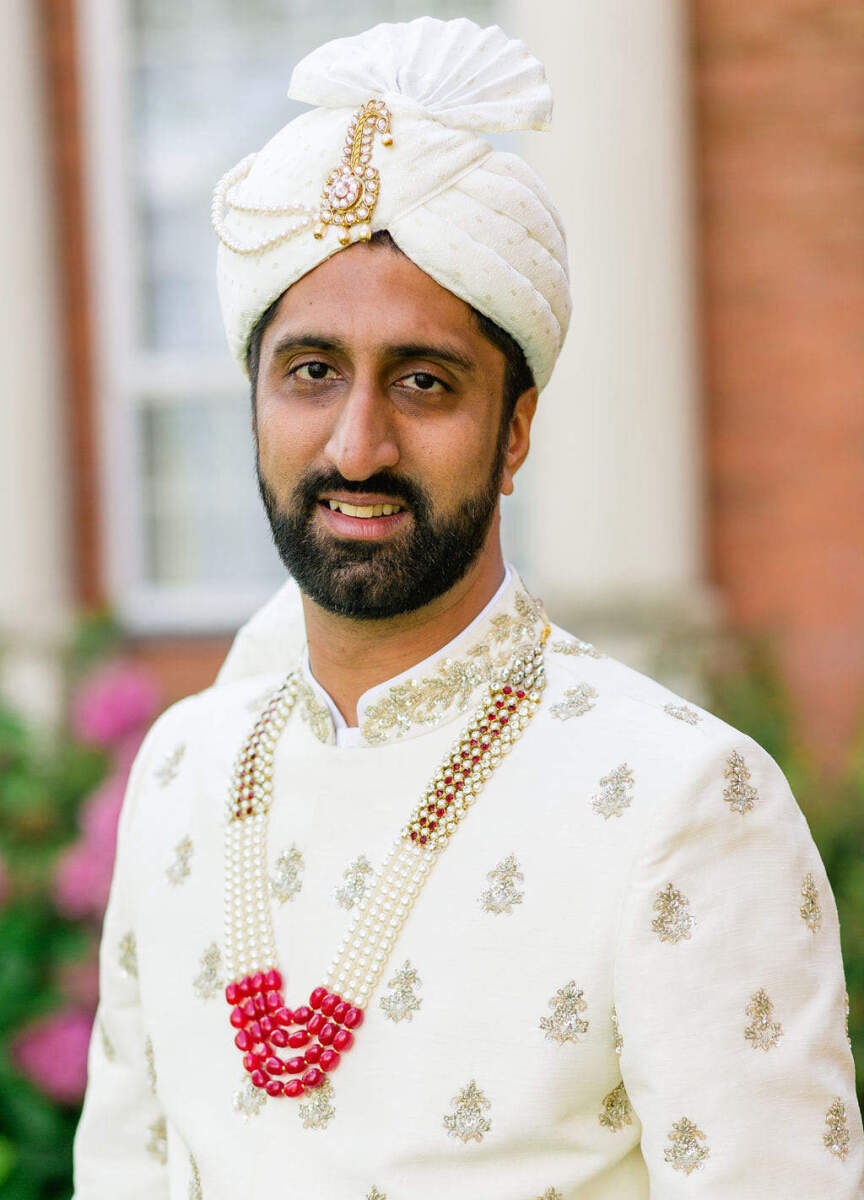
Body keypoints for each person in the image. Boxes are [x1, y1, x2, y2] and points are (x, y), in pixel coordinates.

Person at [71, 16, 863, 1199]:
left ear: (516, 431)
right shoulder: (184, 767)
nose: (356, 443)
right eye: (311, 372)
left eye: (424, 382)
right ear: (253, 399)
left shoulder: (682, 799)